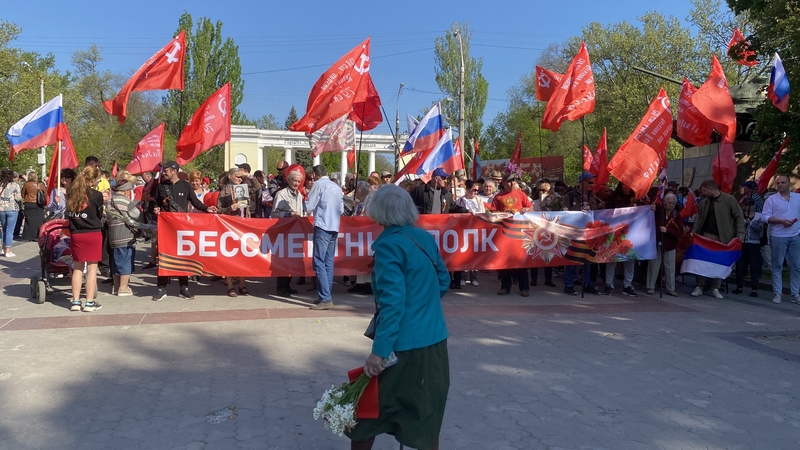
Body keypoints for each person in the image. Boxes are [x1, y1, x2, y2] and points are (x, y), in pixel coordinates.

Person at [346, 184, 450, 450]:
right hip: (435, 341)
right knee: (425, 415)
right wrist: (422, 305)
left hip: (402, 347)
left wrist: (378, 353)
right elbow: (443, 280)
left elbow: (393, 304)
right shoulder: (423, 237)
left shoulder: (389, 245)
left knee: (366, 413)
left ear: (379, 212)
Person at [152, 161, 217, 301]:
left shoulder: (185, 185)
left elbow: (195, 202)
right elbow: (155, 202)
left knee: (182, 257)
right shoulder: (160, 186)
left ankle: (183, 288)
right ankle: (161, 288)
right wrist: (155, 208)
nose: (163, 172)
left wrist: (207, 208)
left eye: (166, 170)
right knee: (164, 257)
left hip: (181, 228)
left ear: (174, 171)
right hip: (166, 228)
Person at [691, 179, 745, 299]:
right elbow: (699, 218)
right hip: (705, 235)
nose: (703, 193)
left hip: (723, 236)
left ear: (711, 189)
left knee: (719, 262)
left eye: (704, 190)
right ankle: (700, 285)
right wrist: (694, 232)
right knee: (702, 261)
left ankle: (715, 287)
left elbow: (739, 217)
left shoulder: (729, 199)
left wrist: (741, 233)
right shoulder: (704, 203)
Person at [304, 165, 344, 310]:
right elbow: (341, 209)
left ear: (314, 174)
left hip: (322, 226)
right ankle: (326, 295)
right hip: (334, 226)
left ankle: (325, 297)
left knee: (319, 263)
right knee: (328, 263)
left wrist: (304, 202)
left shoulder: (318, 185)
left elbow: (309, 206)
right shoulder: (337, 187)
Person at [66, 166, 105, 312]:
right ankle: (89, 302)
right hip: (93, 233)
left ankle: (75, 301)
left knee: (77, 268)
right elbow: (100, 215)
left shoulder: (71, 193)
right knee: (92, 269)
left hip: (76, 233)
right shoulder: (96, 195)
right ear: (93, 179)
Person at [491, 172, 533, 297]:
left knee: (521, 261)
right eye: (509, 181)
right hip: (504, 233)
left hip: (520, 233)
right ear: (503, 183)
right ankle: (505, 287)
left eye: (513, 181)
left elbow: (531, 208)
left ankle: (524, 288)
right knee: (505, 261)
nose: (512, 183)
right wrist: (503, 213)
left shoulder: (521, 194)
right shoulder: (498, 197)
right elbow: (492, 213)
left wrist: (526, 209)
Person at [761, 175, 800, 304]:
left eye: (783, 182)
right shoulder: (771, 200)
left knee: (796, 266)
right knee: (777, 265)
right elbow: (765, 217)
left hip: (795, 236)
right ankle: (778, 293)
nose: (780, 185)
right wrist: (780, 221)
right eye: (778, 183)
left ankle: (795, 293)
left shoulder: (798, 198)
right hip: (778, 236)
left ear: (789, 183)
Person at [563, 173, 601, 295]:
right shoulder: (569, 196)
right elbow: (565, 212)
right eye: (589, 182)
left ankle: (587, 283)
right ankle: (568, 284)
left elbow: (595, 212)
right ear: (582, 182)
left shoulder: (592, 196)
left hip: (589, 231)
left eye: (592, 183)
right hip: (574, 231)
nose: (591, 185)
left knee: (588, 258)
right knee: (571, 257)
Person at [217, 168, 252, 297]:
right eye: (237, 176)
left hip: (243, 226)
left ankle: (243, 285)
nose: (240, 179)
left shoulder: (244, 189)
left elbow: (258, 186)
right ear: (230, 177)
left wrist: (248, 175)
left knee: (243, 257)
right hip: (230, 227)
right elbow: (219, 210)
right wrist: (229, 209)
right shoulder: (224, 190)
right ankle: (231, 286)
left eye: (241, 177)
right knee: (230, 257)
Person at [271, 169, 305, 296]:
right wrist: (289, 214)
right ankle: (281, 287)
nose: (296, 183)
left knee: (291, 260)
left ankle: (288, 285)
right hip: (284, 231)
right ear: (289, 180)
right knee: (283, 259)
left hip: (295, 231)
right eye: (294, 181)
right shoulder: (281, 194)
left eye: (298, 181)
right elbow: (274, 213)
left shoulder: (299, 195)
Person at [106, 173, 140, 297]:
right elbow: (136, 214)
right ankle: (123, 288)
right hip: (125, 235)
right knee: (126, 261)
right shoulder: (126, 202)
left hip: (112, 236)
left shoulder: (109, 202)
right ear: (126, 190)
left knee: (115, 262)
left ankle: (115, 287)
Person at [603, 182, 638, 297]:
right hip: (615, 231)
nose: (626, 187)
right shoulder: (613, 197)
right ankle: (608, 284)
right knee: (612, 257)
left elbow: (644, 211)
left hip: (631, 232)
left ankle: (628, 285)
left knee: (629, 258)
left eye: (628, 184)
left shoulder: (636, 197)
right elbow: (606, 212)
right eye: (623, 184)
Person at [645, 193, 684, 296]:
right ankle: (650, 286)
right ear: (665, 202)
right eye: (669, 203)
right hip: (657, 241)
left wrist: (668, 230)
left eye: (673, 203)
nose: (671, 205)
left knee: (670, 266)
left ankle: (670, 288)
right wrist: (651, 207)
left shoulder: (676, 215)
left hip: (670, 243)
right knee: (653, 265)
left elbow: (679, 231)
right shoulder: (658, 211)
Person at [734, 198, 764, 298]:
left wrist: (750, 225)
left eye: (751, 204)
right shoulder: (739, 215)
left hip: (754, 243)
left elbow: (760, 229)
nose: (749, 206)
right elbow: (735, 227)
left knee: (754, 266)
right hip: (742, 243)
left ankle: (754, 288)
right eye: (747, 204)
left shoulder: (759, 216)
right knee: (741, 265)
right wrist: (742, 230)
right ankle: (739, 286)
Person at [0, 168, 22, 257]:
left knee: (4, 229)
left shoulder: (0, 184)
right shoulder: (15, 185)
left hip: (1, 209)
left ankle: (3, 248)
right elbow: (18, 198)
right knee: (10, 230)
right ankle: (8, 251)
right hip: (12, 208)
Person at [20, 171, 46, 241]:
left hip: (28, 203)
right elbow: (45, 195)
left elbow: (22, 194)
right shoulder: (40, 185)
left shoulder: (26, 184)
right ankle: (38, 235)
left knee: (29, 220)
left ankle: (28, 236)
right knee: (39, 220)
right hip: (38, 204)